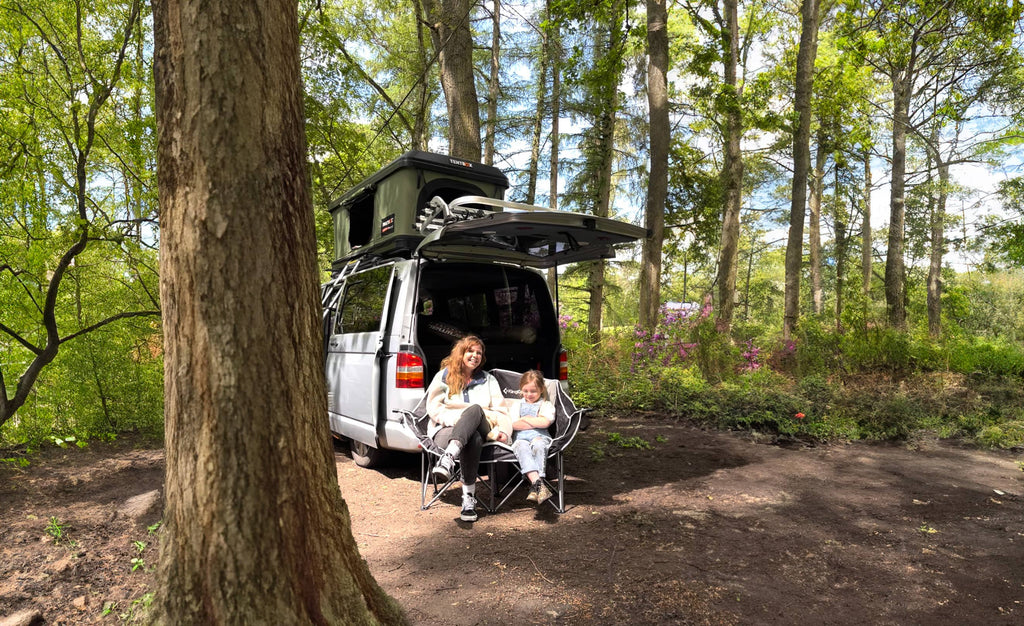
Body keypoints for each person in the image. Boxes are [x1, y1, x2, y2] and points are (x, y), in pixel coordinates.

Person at [426, 335, 509, 522]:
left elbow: (502, 411)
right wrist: (458, 420)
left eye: (479, 353)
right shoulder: (444, 377)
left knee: (475, 410)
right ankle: (468, 500)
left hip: (484, 425)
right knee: (473, 439)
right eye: (470, 351)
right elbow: (434, 408)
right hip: (446, 429)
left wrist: (504, 431)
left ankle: (448, 458)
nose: (475, 355)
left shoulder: (488, 380)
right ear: (461, 353)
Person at [508, 370, 556, 505]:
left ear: (541, 389)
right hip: (520, 439)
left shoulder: (546, 404)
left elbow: (545, 423)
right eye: (525, 391)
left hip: (540, 436)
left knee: (539, 445)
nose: (529, 394)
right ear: (521, 389)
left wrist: (525, 419)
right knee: (522, 447)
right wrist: (535, 420)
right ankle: (538, 485)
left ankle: (536, 487)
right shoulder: (517, 405)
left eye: (533, 391)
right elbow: (513, 425)